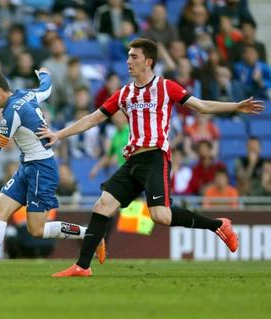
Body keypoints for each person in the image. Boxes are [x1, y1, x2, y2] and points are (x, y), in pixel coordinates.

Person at [37, 38, 264, 277]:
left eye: (134, 57)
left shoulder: (166, 87)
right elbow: (93, 118)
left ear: (149, 61)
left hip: (156, 158)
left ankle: (219, 225)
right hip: (132, 161)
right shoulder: (124, 93)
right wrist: (59, 134)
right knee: (102, 205)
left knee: (160, 216)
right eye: (127, 56)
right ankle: (82, 266)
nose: (128, 61)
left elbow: (201, 106)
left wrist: (235, 107)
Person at [0, 68, 106, 277]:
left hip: (42, 169)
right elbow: (46, 88)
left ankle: (91, 234)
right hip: (27, 166)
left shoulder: (11, 112)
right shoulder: (26, 94)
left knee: (36, 229)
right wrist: (44, 73)